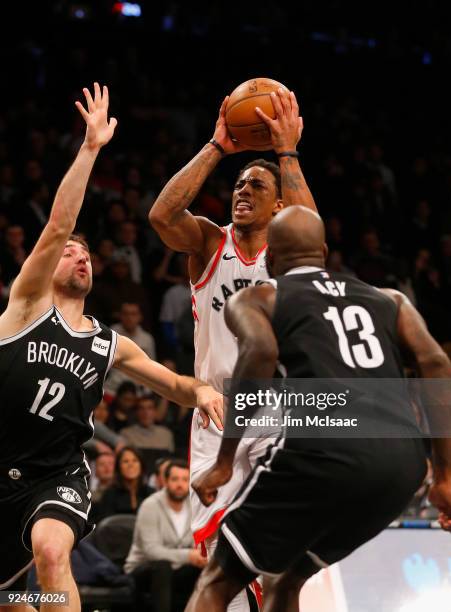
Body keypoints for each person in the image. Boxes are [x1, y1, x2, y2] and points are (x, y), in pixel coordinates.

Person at [0, 83, 222, 612]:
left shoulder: (108, 343)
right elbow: (57, 225)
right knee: (15, 601)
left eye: (86, 254)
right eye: (69, 253)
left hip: (57, 475)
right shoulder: (26, 307)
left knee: (53, 554)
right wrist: (90, 148)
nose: (81, 257)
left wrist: (205, 392)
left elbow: (174, 385)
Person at [186, 206, 451, 612]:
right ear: (322, 250)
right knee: (286, 579)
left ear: (269, 258)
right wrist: (445, 477)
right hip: (401, 467)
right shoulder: (391, 300)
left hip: (322, 450)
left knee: (217, 579)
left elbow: (260, 352)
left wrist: (225, 459)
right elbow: (437, 364)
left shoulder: (260, 296)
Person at [149, 87, 317, 611]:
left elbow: (312, 230)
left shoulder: (289, 255)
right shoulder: (207, 242)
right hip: (215, 417)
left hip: (275, 416)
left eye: (257, 185)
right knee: (221, 559)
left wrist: (287, 153)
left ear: (279, 203)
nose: (242, 191)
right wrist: (218, 146)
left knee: (270, 559)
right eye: (240, 185)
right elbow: (161, 215)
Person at [125, 459, 206, 612]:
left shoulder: (194, 506)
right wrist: (189, 555)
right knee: (162, 566)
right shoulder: (151, 505)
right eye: (175, 479)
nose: (180, 485)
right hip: (144, 568)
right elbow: (151, 551)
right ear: (165, 481)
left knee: (206, 569)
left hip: (178, 568)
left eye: (185, 479)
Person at [92, 446, 154, 523]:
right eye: (126, 461)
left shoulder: (152, 494)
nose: (131, 465)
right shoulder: (110, 495)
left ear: (141, 466)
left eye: (135, 460)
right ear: (119, 467)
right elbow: (105, 528)